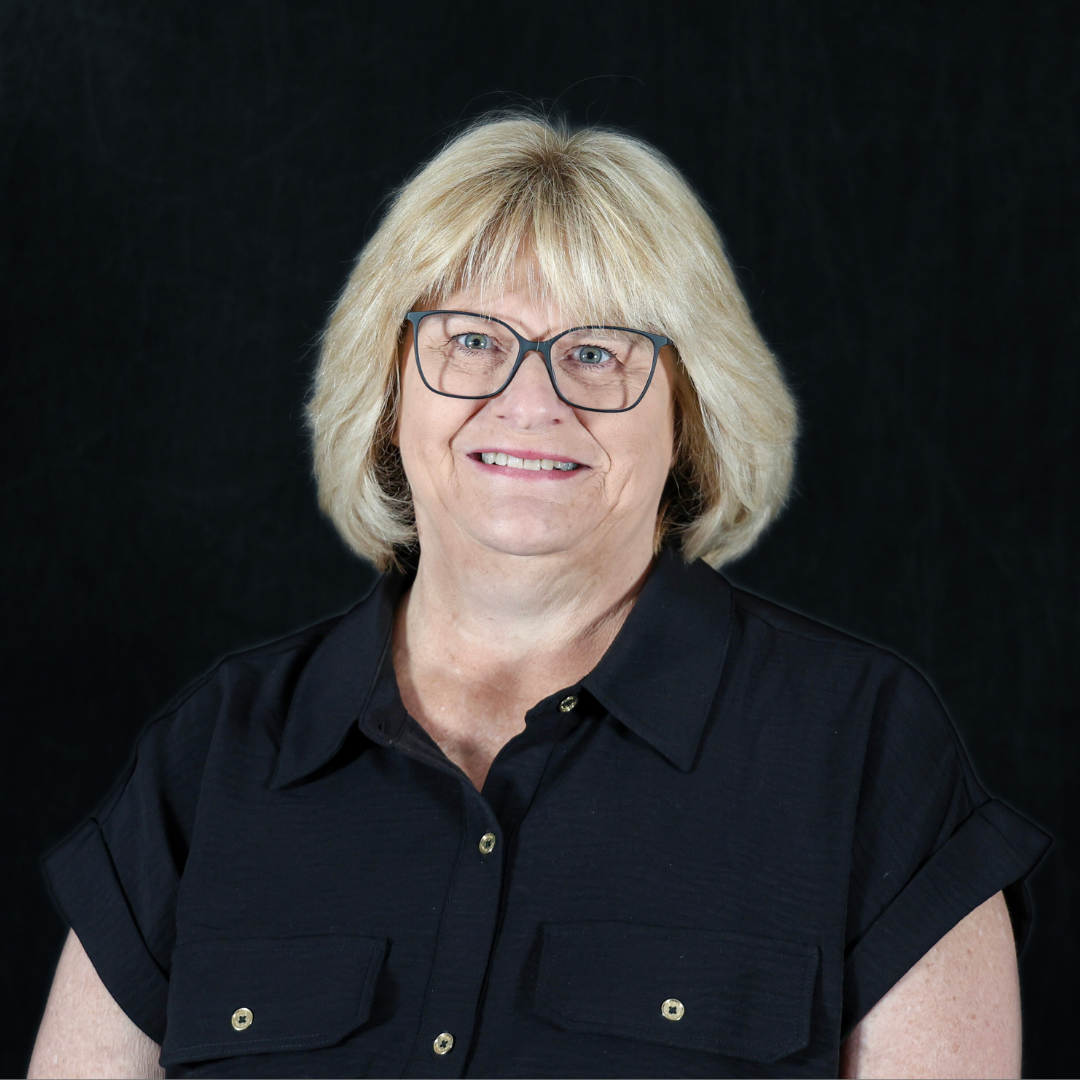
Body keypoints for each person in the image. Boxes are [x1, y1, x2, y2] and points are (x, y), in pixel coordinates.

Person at [30, 114, 1048, 1079]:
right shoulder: (210, 761)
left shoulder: (864, 752)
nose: (530, 400)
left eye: (597, 353)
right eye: (470, 340)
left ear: (691, 417)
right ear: (388, 397)